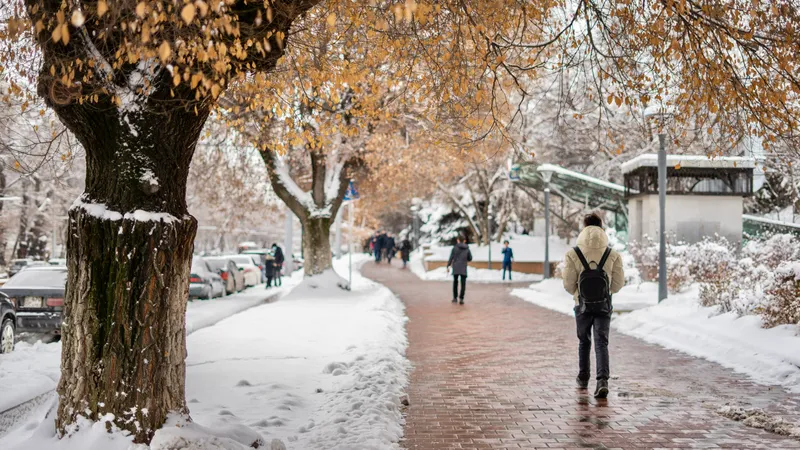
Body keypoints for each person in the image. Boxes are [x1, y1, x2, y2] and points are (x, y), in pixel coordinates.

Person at [562, 213, 625, 399]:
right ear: (601, 228)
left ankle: (583, 377)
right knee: (601, 342)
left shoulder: (573, 254)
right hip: (604, 305)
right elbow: (618, 285)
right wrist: (605, 292)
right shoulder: (612, 254)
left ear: (584, 228)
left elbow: (568, 284)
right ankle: (602, 381)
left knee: (584, 341)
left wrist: (578, 293)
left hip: (581, 304)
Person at [447, 235, 472, 305]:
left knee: (455, 283)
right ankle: (461, 298)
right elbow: (470, 258)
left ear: (458, 240)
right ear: (464, 240)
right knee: (463, 283)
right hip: (463, 267)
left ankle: (455, 298)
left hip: (456, 267)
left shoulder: (454, 248)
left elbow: (451, 257)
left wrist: (448, 265)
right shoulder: (467, 248)